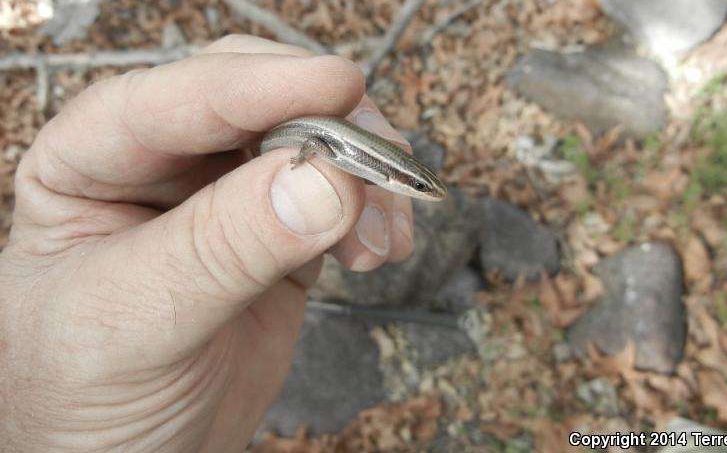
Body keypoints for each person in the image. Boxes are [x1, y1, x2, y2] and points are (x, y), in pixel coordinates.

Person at [0, 35, 417, 451]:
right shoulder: (362, 159)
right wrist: (299, 163)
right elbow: (315, 143)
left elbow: (326, 145)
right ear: (399, 178)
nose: (419, 192)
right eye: (417, 185)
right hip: (283, 140)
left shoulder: (369, 162)